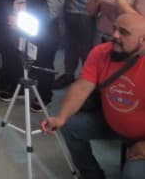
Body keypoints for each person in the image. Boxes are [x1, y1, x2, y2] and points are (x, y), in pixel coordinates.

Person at [42, 13, 145, 179]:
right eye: (115, 28)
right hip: (111, 122)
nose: (115, 35)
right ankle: (92, 175)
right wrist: (61, 117)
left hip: (141, 136)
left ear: (143, 41)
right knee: (70, 125)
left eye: (124, 32)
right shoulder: (101, 52)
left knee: (133, 174)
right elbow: (82, 87)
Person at [0, 0, 67, 111]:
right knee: (17, 57)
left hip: (43, 30)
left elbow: (51, 11)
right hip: (17, 24)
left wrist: (22, 16)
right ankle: (17, 86)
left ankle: (44, 95)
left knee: (42, 62)